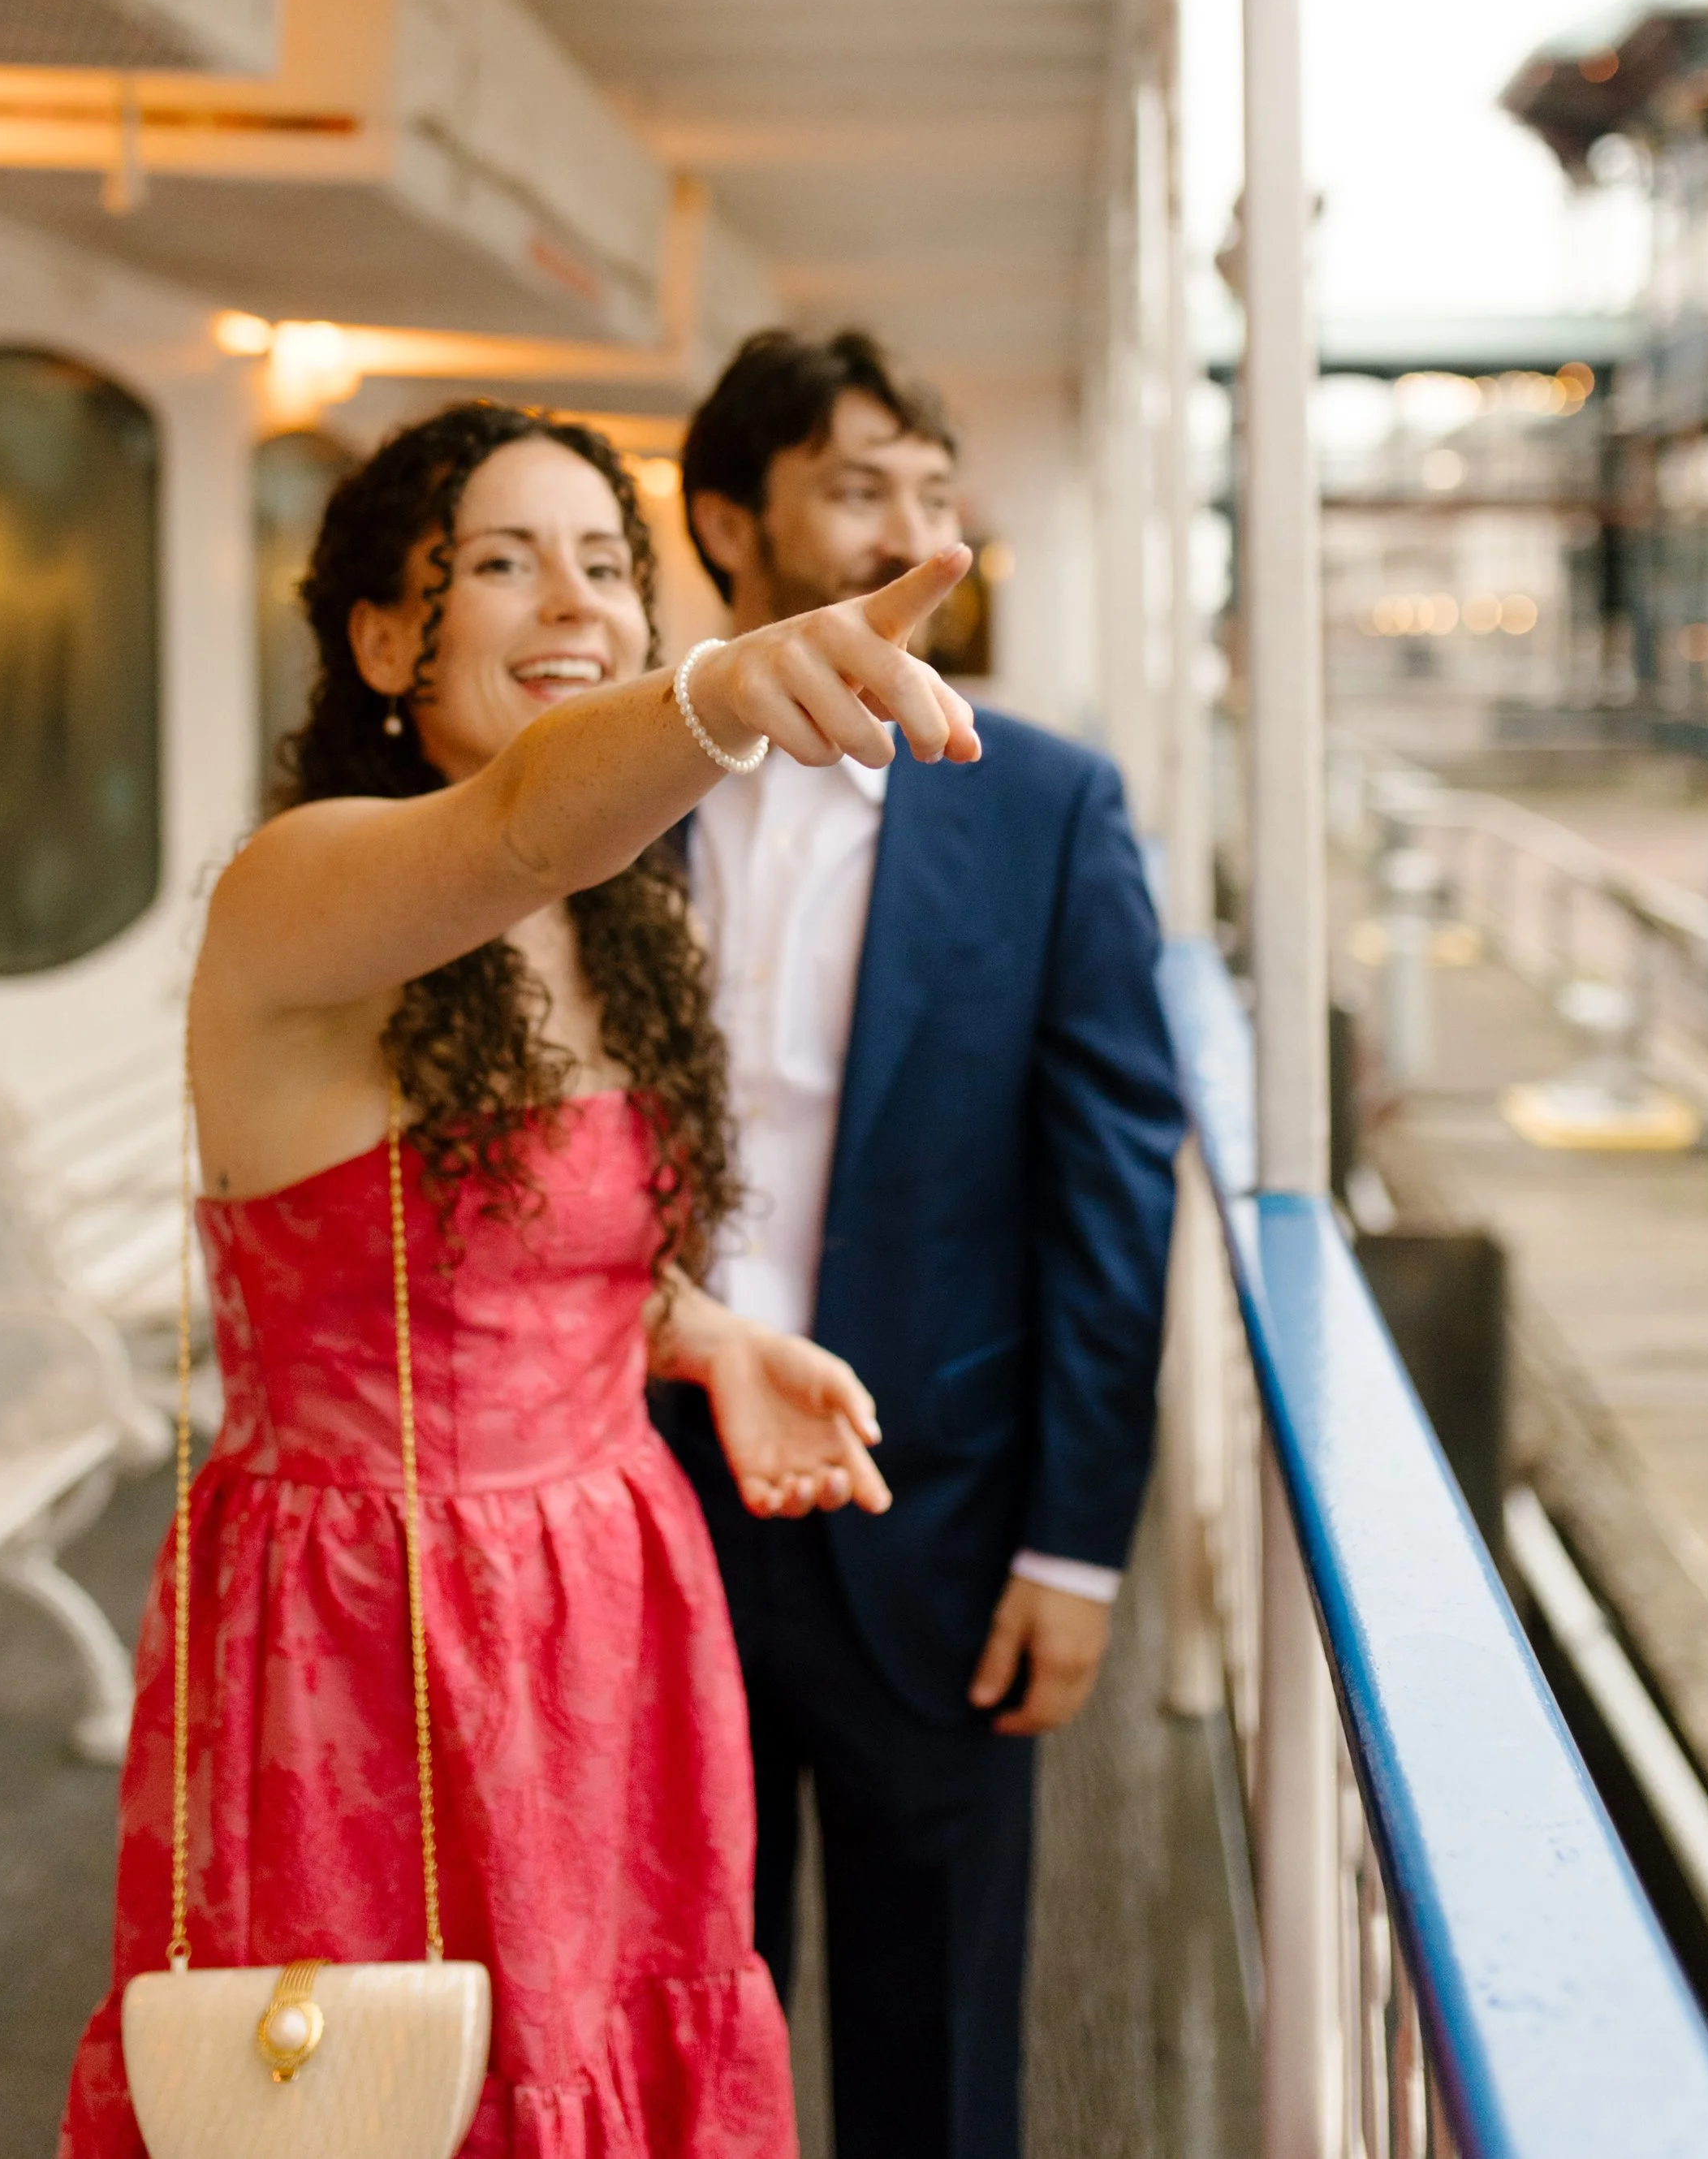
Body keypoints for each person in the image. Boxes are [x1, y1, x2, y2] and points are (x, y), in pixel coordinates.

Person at [59, 397, 983, 2159]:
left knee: (615, 2047)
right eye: (499, 564)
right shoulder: (305, 884)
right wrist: (718, 696)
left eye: (600, 563)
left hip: (611, 1602)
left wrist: (704, 1336)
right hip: (363, 1629)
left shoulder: (624, 922)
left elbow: (524, 1252)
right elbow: (511, 835)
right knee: (375, 2096)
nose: (572, 604)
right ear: (386, 638)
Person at [658, 330, 1185, 2159]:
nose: (911, 527)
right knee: (659, 2006)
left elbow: (1113, 1183)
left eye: (935, 489)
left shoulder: (1044, 806)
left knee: (936, 2039)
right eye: (857, 485)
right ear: (731, 522)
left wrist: (1076, 1544)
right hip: (643, 1499)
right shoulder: (605, 793)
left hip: (936, 1507)